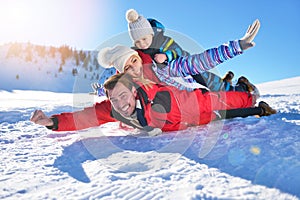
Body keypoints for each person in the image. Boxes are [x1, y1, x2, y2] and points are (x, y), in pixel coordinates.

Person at [30, 73, 276, 135]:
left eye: (123, 96)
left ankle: (246, 91)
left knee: (221, 104)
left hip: (192, 107)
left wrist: (246, 99)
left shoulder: (163, 98)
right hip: (190, 124)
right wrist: (52, 122)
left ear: (135, 91)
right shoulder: (114, 108)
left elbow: (212, 101)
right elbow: (83, 117)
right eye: (113, 98)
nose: (119, 103)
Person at [97, 17, 261, 98]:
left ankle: (240, 88)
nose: (142, 43)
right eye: (138, 41)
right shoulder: (137, 56)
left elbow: (187, 58)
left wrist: (236, 46)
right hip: (184, 91)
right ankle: (229, 82)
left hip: (188, 72)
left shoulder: (164, 45)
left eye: (145, 39)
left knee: (212, 84)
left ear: (152, 34)